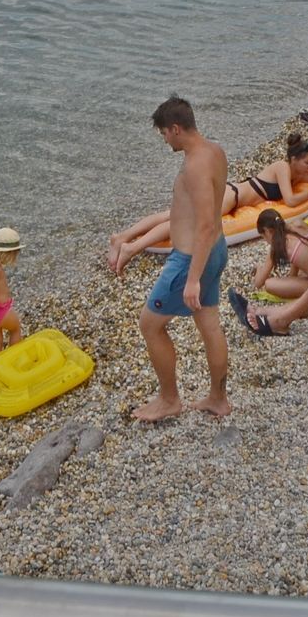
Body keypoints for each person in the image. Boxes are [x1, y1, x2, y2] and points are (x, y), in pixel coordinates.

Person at [132, 97, 231, 423]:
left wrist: (191, 279)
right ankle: (218, 399)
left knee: (150, 325)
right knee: (209, 325)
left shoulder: (194, 165)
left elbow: (203, 225)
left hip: (191, 258)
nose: (164, 140)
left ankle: (169, 400)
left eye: (164, 134)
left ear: (175, 129)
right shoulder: (214, 151)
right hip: (216, 249)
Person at [106, 133, 308, 270]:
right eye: (306, 161)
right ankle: (131, 248)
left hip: (228, 195)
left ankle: (122, 238)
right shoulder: (282, 167)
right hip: (231, 197)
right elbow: (290, 200)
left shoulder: (299, 174)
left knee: (171, 214)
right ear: (294, 159)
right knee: (182, 221)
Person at [245, 207, 308, 300]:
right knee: (304, 269)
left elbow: (258, 283)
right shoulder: (298, 224)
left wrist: (260, 268)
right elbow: (299, 257)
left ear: (267, 231)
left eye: (264, 237)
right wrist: (292, 277)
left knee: (269, 284)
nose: (266, 241)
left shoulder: (277, 246)